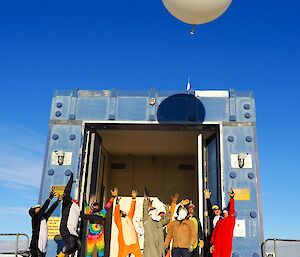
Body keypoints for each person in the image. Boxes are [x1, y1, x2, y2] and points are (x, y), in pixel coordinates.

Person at [81, 188, 118, 257]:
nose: (96, 207)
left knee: (101, 253)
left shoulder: (101, 213)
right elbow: (86, 206)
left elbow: (107, 206)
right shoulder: (90, 213)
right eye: (95, 205)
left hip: (99, 237)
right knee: (89, 253)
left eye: (97, 206)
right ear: (92, 207)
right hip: (91, 237)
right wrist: (84, 200)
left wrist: (113, 197)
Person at [29, 191, 61, 257]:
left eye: (39, 208)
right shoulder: (35, 218)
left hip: (43, 247)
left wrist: (58, 201)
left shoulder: (43, 218)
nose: (40, 209)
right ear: (34, 211)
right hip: (36, 247)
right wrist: (49, 198)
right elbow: (43, 209)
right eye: (37, 209)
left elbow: (50, 210)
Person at [57, 172, 81, 257]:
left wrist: (100, 217)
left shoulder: (77, 210)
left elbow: (86, 216)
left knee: (77, 244)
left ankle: (65, 255)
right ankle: (60, 255)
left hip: (72, 231)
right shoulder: (67, 204)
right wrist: (71, 178)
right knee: (71, 242)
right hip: (65, 228)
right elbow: (67, 191)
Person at [114, 190, 142, 257]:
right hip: (125, 244)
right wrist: (117, 204)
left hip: (134, 242)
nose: (123, 213)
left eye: (123, 212)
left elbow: (132, 210)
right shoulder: (118, 220)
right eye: (121, 212)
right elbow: (116, 214)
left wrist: (134, 198)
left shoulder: (128, 217)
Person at [143, 189, 170, 257]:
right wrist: (146, 199)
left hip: (159, 250)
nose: (154, 211)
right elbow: (144, 211)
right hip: (149, 252)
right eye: (152, 210)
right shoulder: (147, 221)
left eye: (155, 210)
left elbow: (167, 219)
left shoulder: (159, 222)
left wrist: (167, 208)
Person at [210, 189, 235, 257]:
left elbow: (232, 209)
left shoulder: (231, 220)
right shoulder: (219, 221)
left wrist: (232, 198)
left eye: (226, 212)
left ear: (228, 213)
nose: (224, 213)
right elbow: (214, 232)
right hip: (217, 244)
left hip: (226, 244)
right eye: (223, 212)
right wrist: (212, 243)